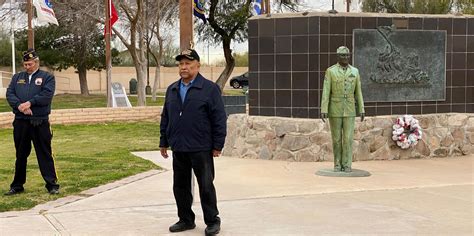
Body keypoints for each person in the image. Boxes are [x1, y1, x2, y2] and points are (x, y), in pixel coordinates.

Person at [160, 48, 227, 236]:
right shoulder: (172, 89)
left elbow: (219, 118)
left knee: (206, 185)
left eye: (188, 63)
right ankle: (186, 219)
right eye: (181, 64)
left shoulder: (209, 89)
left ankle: (212, 221)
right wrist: (163, 141)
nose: (184, 67)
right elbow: (166, 116)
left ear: (197, 66)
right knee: (180, 186)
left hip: (201, 147)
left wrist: (217, 145)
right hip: (179, 146)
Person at [5, 48, 59, 195]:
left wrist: (30, 103)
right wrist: (20, 106)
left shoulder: (47, 77)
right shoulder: (17, 77)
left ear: (36, 62)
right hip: (21, 121)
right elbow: (10, 93)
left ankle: (52, 184)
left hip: (39, 122)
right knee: (21, 154)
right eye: (25, 64)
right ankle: (17, 185)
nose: (27, 67)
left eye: (30, 64)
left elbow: (46, 95)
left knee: (44, 153)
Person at [321, 46, 365, 173]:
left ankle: (347, 165)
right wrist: (324, 108)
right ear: (338, 56)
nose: (346, 57)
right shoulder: (331, 71)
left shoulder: (355, 71)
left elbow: (359, 92)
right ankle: (337, 164)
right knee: (336, 139)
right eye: (343, 55)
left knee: (348, 138)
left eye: (347, 55)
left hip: (350, 108)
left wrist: (361, 108)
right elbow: (326, 91)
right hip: (335, 108)